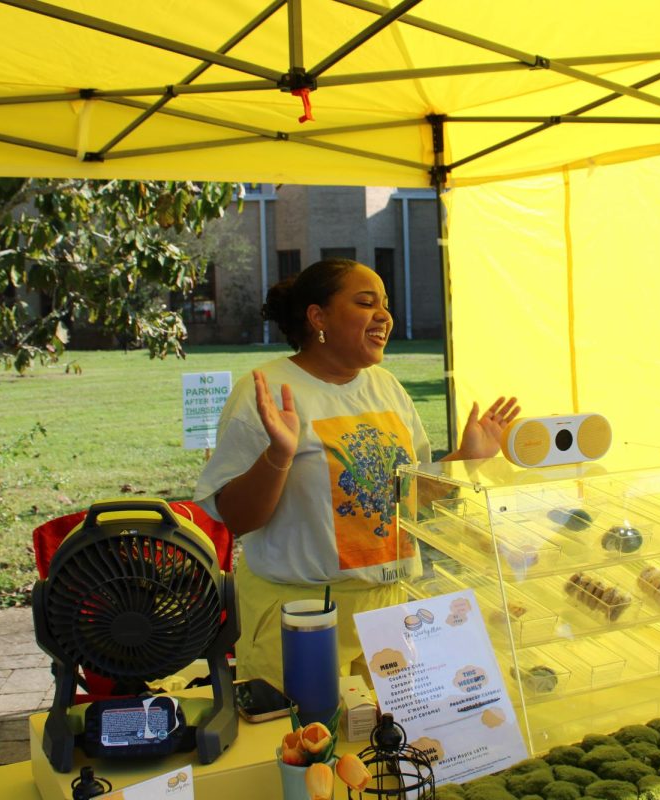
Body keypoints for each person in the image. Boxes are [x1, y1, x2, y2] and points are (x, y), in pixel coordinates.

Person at [195, 258, 519, 683]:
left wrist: (465, 459)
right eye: (366, 303)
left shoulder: (386, 387)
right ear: (318, 317)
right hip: (302, 620)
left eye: (385, 304)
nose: (384, 315)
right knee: (306, 745)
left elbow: (411, 497)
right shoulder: (267, 390)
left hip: (393, 617)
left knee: (393, 745)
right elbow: (237, 518)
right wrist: (279, 453)